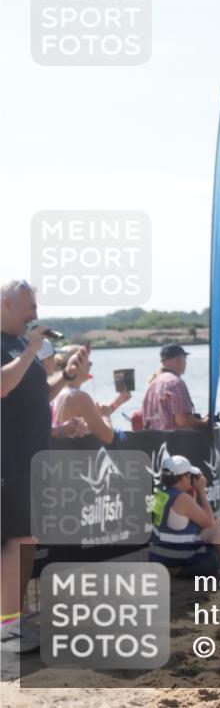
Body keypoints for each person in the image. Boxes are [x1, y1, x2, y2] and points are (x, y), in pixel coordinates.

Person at [0, 280, 84, 653]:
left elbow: (33, 393)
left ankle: (12, 620)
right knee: (17, 542)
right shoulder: (14, 345)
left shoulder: (20, 345)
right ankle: (7, 630)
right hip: (10, 458)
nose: (35, 313)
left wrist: (64, 378)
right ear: (6, 304)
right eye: (29, 306)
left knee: (25, 541)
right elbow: (2, 386)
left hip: (31, 458)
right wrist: (34, 347)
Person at [51, 345, 131, 444]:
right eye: (88, 363)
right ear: (77, 364)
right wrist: (106, 416)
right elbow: (108, 437)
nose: (90, 367)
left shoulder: (56, 392)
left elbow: (93, 421)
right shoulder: (79, 397)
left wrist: (119, 401)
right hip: (75, 457)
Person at [141, 344, 209, 430]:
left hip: (154, 441)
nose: (185, 362)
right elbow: (182, 420)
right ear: (179, 359)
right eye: (185, 358)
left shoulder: (152, 384)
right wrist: (203, 423)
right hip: (175, 441)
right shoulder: (175, 383)